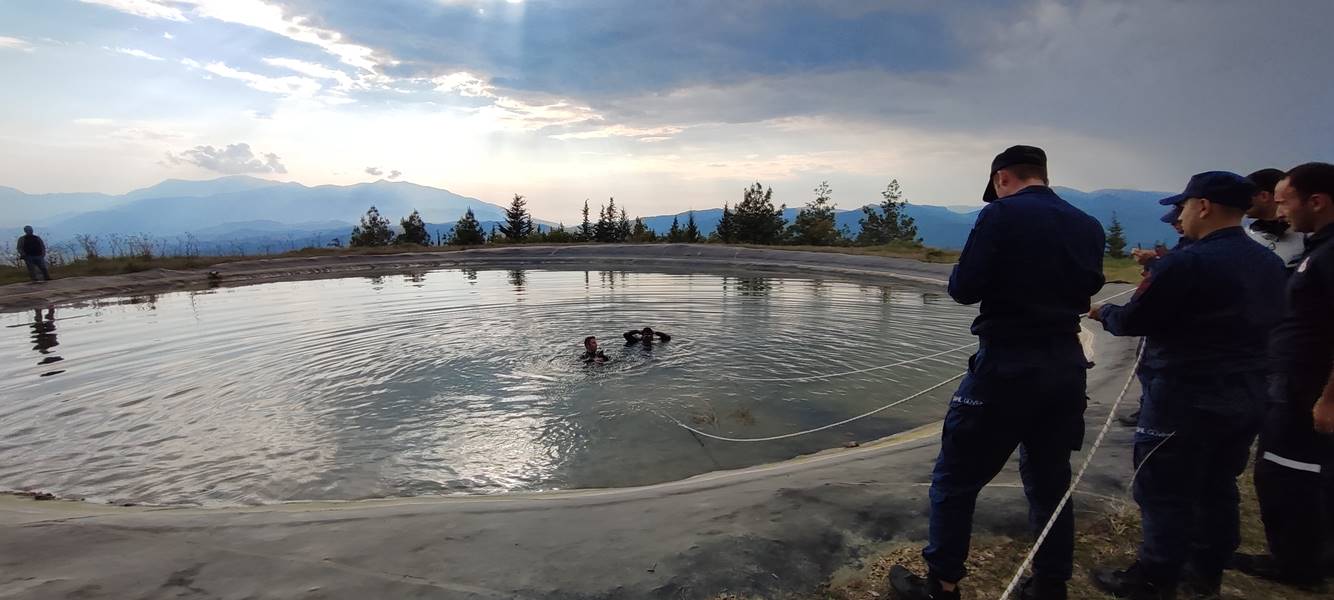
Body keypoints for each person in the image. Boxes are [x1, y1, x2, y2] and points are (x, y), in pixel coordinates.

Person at [889, 145, 1105, 600]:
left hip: (1006, 367)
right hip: (1065, 369)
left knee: (956, 478)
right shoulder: (1089, 226)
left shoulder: (1000, 216)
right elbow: (1088, 290)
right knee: (1050, 479)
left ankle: (942, 584)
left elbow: (964, 288)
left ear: (1002, 178)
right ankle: (1050, 584)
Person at [1087, 171, 1286, 599]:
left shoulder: (1188, 262)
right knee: (1218, 484)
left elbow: (1137, 319)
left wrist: (1102, 314)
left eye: (1184, 206)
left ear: (1204, 206)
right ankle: (1205, 574)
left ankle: (1155, 578)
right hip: (1247, 393)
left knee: (1163, 490)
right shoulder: (1268, 262)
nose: (1181, 215)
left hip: (1184, 396)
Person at [1231, 162, 1334, 591]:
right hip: (1293, 382)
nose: (1279, 210)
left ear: (1317, 201)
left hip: (1306, 390)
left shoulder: (1331, 254)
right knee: (1295, 471)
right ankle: (1303, 555)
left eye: (1285, 200)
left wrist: (1329, 398)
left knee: (1292, 473)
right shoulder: (1319, 247)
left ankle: (1299, 564)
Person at [1118, 207, 1192, 428]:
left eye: (1178, 220)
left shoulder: (1192, 251)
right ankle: (1148, 407)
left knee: (1153, 368)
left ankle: (1154, 413)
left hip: (1172, 328)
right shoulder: (1187, 246)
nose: (1176, 225)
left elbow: (1175, 275)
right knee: (1147, 367)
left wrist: (1154, 264)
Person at [1245, 167, 1306, 271]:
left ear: (1264, 196)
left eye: (1245, 196)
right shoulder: (1244, 235)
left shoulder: (1309, 235)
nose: (1240, 203)